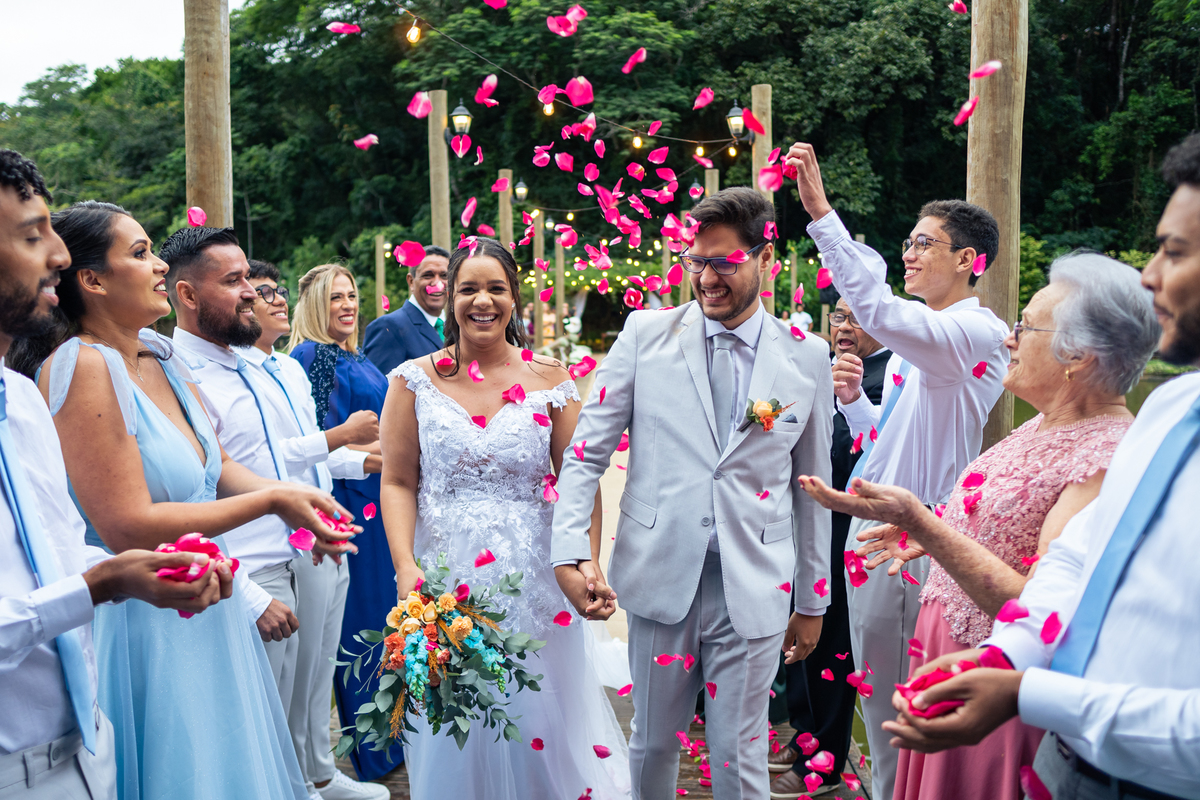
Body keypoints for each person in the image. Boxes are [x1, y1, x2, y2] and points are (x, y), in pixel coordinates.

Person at [842, 132, 1200, 800]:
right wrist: (931, 534)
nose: (1151, 275)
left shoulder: (1104, 447)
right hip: (1000, 677)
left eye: (1174, 251)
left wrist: (1030, 689)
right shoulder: (1170, 411)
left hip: (1113, 750)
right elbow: (1065, 572)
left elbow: (1060, 591)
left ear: (1078, 353)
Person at [796, 252, 1159, 800]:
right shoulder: (1043, 424)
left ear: (1078, 356)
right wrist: (930, 527)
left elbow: (1048, 610)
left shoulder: (1101, 460)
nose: (1010, 340)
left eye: (1025, 326)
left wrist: (923, 521)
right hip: (946, 652)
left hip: (993, 683)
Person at [552, 187, 834, 800]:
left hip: (755, 583)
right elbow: (586, 454)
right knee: (653, 743)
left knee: (741, 754)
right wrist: (569, 550)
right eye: (696, 262)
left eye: (724, 263)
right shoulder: (643, 335)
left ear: (766, 259)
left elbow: (811, 488)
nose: (706, 278)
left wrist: (813, 598)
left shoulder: (807, 357)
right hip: (660, 575)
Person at [0, 148, 233, 800]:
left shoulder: (18, 401)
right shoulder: (77, 367)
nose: (58, 257)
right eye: (29, 235)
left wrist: (129, 575)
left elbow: (56, 543)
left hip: (84, 749)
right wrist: (98, 583)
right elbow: (105, 540)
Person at [786, 142, 1009, 800]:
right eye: (908, 243)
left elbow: (877, 311)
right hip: (878, 538)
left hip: (923, 543)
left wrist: (822, 214)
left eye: (924, 244)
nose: (909, 254)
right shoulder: (926, 342)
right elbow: (885, 441)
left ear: (969, 261)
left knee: (916, 708)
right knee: (882, 707)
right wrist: (856, 405)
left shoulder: (976, 332)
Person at [381, 237, 630, 799]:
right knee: (455, 723)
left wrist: (582, 564)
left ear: (515, 297)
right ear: (449, 298)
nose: (482, 301)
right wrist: (405, 566)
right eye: (468, 289)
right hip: (442, 584)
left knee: (542, 717)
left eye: (496, 288)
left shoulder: (551, 379)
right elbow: (397, 481)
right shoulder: (412, 381)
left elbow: (578, 481)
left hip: (538, 581)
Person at [163, 226, 359, 724]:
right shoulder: (176, 373)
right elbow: (193, 494)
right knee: (255, 720)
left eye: (249, 277)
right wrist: (248, 590)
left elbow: (276, 462)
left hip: (294, 552)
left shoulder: (254, 365)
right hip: (244, 570)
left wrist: (309, 517)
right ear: (185, 294)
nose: (253, 291)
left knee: (293, 705)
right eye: (236, 281)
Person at [240, 260, 388, 800]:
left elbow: (315, 456)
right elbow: (260, 459)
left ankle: (319, 770)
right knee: (299, 669)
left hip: (330, 514)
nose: (274, 299)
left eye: (278, 291)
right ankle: (299, 777)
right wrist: (341, 439)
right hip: (285, 534)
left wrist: (371, 460)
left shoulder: (285, 368)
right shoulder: (292, 361)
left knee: (321, 658)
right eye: (262, 293)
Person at [771, 297, 891, 798]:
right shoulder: (824, 364)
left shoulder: (888, 379)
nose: (844, 327)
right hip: (811, 522)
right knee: (802, 629)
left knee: (835, 644)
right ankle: (803, 736)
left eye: (858, 317)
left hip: (852, 530)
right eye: (838, 316)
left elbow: (876, 449)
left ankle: (825, 760)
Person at [286, 264, 397, 783]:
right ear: (314, 305)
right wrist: (386, 455)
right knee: (358, 631)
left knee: (381, 622)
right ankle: (369, 752)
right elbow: (316, 445)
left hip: (377, 502)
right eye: (336, 299)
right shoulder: (313, 357)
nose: (348, 306)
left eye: (352, 296)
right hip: (349, 505)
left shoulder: (353, 353)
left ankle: (389, 740)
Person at [362, 245, 448, 376]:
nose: (437, 283)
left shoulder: (457, 327)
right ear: (411, 281)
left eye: (444, 276)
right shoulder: (389, 327)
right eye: (428, 275)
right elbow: (379, 390)